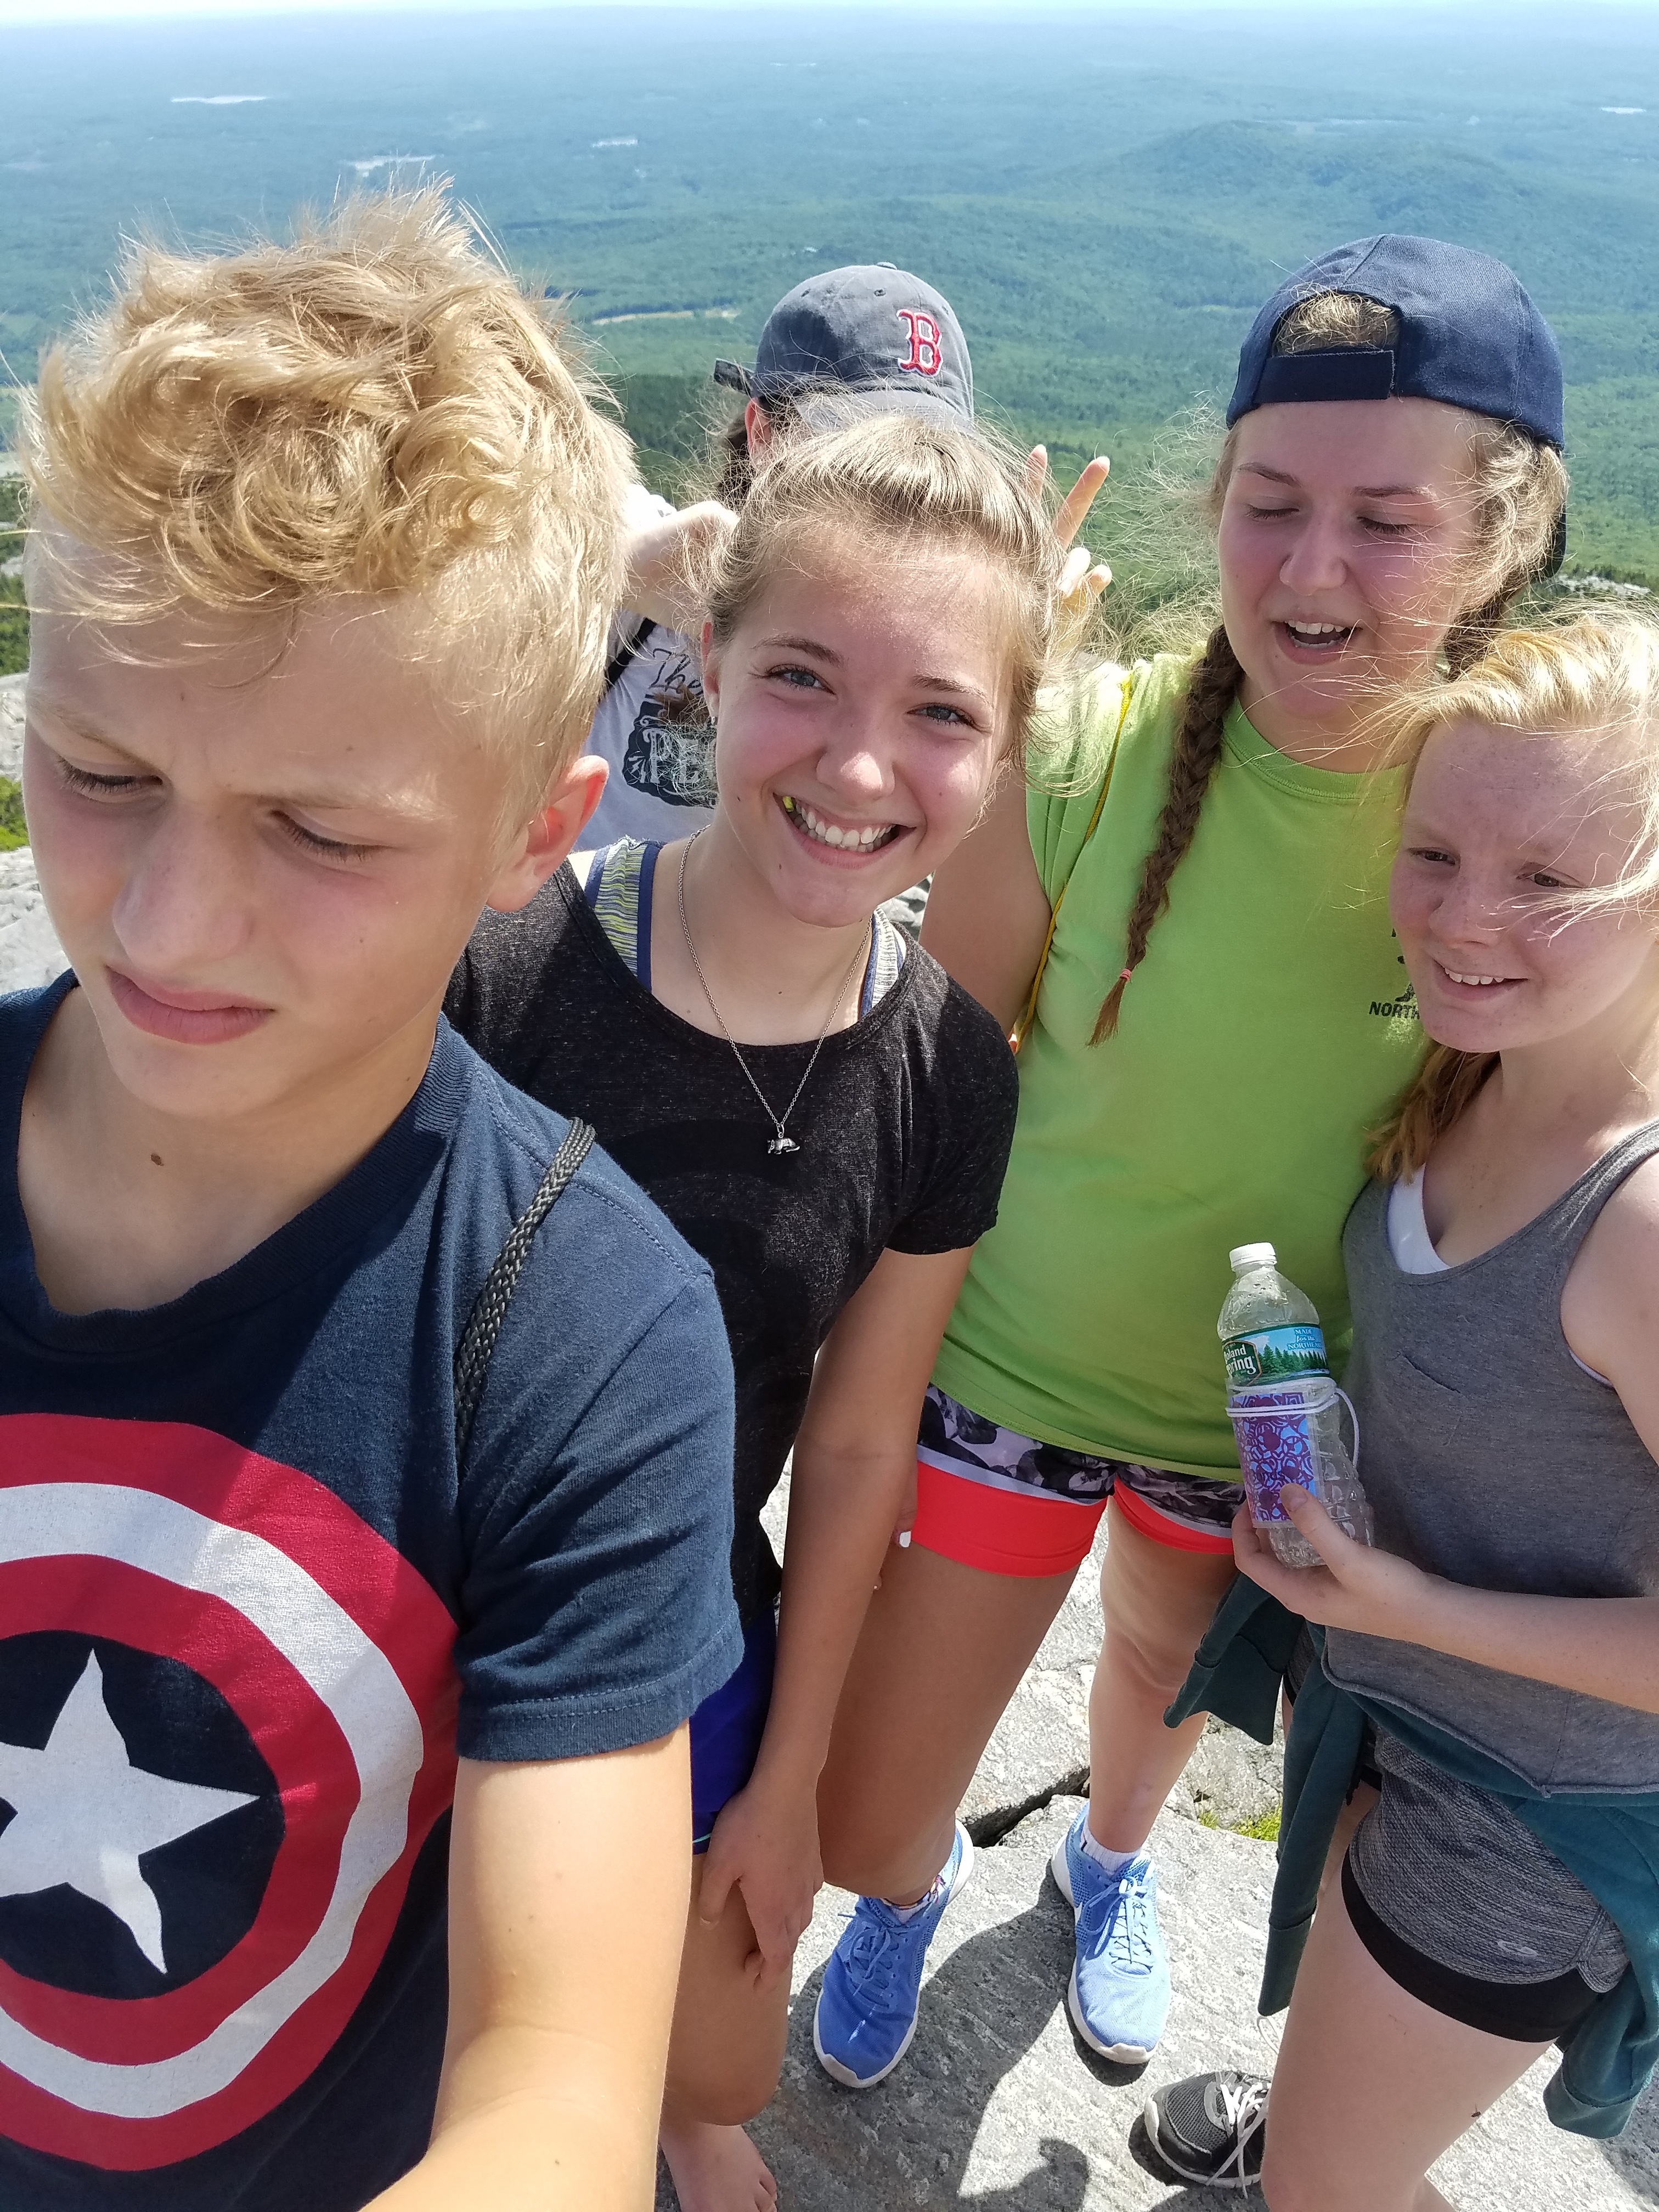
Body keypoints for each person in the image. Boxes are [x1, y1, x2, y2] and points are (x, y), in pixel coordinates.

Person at [1, 191, 741, 2211]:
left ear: (532, 836)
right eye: (98, 770)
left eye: (321, 833)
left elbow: (558, 2089)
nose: (167, 924)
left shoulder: (577, 1337)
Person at [811, 234, 1572, 2086]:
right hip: (1012, 1371)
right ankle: (909, 1884)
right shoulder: (1090, 750)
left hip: (1273, 1424)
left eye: (1385, 522)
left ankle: (1109, 1859)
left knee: (1157, 1678)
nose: (1310, 569)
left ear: (1500, 540)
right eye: (1268, 504)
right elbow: (934, 1093)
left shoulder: (1502, 821)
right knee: (862, 1817)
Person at [444, 414, 1072, 2212]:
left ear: (1001, 753)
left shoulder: (945, 1071)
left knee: (717, 2065)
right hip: (427, 1603)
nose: (859, 762)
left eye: (939, 712)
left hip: (685, 1623)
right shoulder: (508, 969)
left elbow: (860, 1441)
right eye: (801, 675)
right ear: (707, 666)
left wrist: (788, 1782)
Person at [1144, 611, 1659, 2202]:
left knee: (1325, 2193)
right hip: (1398, 1703)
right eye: (1433, 854)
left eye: (1547, 881)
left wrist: (1406, 1605)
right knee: (1342, 2131)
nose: (1461, 917)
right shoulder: (1473, 1070)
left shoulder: (1639, 1222)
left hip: (1530, 1809)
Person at [597, 262, 1109, 882]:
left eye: (920, 454)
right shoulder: (635, 556)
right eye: (847, 445)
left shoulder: (931, 643)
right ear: (762, 435)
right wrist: (611, 575)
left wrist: (1011, 656)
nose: (881, 482)